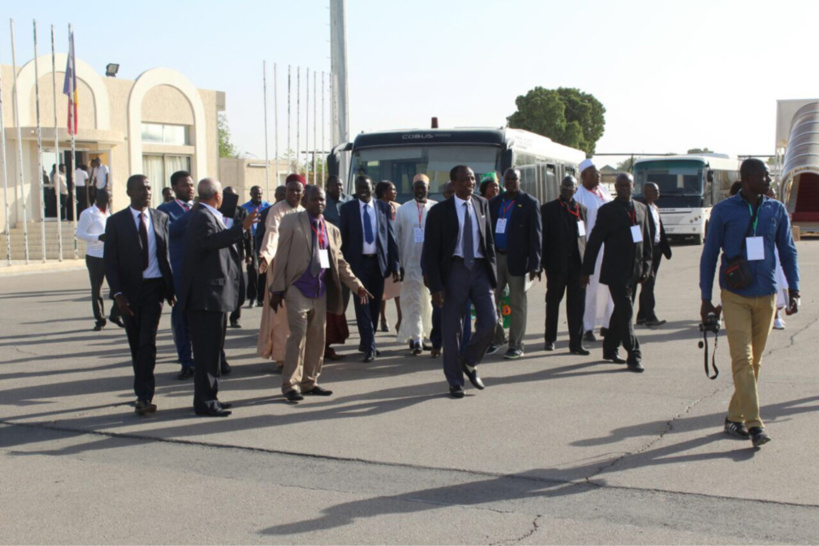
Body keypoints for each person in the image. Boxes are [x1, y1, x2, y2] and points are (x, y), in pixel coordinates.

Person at [700, 158, 800, 448]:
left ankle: (733, 415)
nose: (769, 180)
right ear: (747, 178)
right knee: (742, 359)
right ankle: (755, 424)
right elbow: (709, 255)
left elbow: (788, 251)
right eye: (764, 175)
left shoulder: (776, 209)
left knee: (755, 361)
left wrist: (794, 289)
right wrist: (706, 298)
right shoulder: (723, 210)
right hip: (735, 295)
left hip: (767, 294)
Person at [270, 185, 373, 402]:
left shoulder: (332, 230)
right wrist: (277, 288)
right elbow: (281, 257)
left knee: (317, 338)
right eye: (315, 199)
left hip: (320, 290)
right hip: (297, 287)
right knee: (298, 335)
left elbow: (340, 262)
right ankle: (290, 384)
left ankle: (310, 381)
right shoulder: (291, 222)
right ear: (305, 201)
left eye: (322, 200)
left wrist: (357, 285)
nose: (319, 203)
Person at [178, 178, 257, 417]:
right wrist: (241, 228)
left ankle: (211, 397)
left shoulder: (207, 214)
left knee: (212, 352)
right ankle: (205, 402)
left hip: (213, 297)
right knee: (205, 354)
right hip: (205, 298)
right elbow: (210, 242)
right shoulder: (202, 216)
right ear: (217, 196)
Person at [103, 174, 175, 415]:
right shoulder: (116, 222)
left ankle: (145, 396)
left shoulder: (161, 218)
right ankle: (141, 388)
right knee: (136, 343)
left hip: (154, 289)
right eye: (142, 188)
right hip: (129, 293)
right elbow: (110, 262)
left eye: (149, 187)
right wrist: (118, 294)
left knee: (147, 342)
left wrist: (171, 288)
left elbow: (165, 257)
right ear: (129, 192)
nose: (147, 192)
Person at [424, 165, 498, 398]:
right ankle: (455, 382)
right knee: (451, 330)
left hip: (479, 271)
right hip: (454, 271)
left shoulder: (482, 204)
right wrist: (436, 287)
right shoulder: (438, 212)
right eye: (465, 180)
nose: (471, 183)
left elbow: (489, 243)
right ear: (454, 184)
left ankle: (470, 360)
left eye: (473, 179)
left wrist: (493, 277)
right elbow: (430, 252)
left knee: (490, 320)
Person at [581, 173, 652, 373]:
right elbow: (594, 242)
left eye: (626, 185)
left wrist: (647, 268)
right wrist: (586, 271)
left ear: (633, 185)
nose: (623, 188)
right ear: (615, 187)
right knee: (627, 312)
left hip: (635, 272)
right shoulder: (608, 211)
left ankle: (610, 348)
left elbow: (646, 242)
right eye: (619, 185)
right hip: (615, 272)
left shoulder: (641, 209)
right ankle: (634, 354)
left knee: (621, 313)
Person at [340, 175, 400, 362]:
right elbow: (343, 238)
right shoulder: (347, 209)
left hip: (378, 264)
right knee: (362, 304)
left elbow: (391, 237)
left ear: (373, 188)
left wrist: (395, 265)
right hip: (357, 265)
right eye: (359, 188)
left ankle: (369, 340)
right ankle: (370, 347)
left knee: (375, 306)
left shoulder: (383, 207)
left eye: (365, 187)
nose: (362, 190)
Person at [487, 168, 541, 359]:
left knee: (517, 303)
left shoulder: (529, 203)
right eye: (507, 179)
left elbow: (536, 235)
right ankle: (496, 339)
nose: (510, 182)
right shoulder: (494, 203)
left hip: (518, 260)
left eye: (514, 179)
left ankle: (516, 345)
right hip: (495, 259)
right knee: (491, 301)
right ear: (503, 180)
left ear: (520, 181)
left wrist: (536, 263)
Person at [257, 175, 305, 367]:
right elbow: (272, 234)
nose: (294, 193)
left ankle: (299, 354)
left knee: (300, 315)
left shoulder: (304, 211)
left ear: (303, 193)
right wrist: (266, 256)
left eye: (298, 190)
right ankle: (282, 357)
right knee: (281, 316)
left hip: (302, 270)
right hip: (281, 269)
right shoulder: (277, 210)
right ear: (285, 191)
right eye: (291, 190)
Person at [541, 175, 589, 355]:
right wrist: (542, 264)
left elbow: (584, 238)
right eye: (565, 186)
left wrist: (587, 266)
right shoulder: (548, 209)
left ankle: (576, 343)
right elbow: (543, 239)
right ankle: (550, 338)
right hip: (556, 266)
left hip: (577, 266)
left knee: (577, 305)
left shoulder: (581, 209)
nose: (568, 190)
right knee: (553, 302)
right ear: (560, 188)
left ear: (576, 190)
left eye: (571, 187)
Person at [157, 171, 196, 379]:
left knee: (199, 317)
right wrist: (192, 214)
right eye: (184, 185)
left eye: (191, 184)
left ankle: (205, 357)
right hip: (179, 272)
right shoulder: (165, 210)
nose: (190, 188)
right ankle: (186, 360)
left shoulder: (199, 208)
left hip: (200, 271)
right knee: (181, 317)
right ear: (174, 188)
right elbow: (169, 232)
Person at [396, 174, 436, 354]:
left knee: (429, 302)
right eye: (417, 187)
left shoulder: (436, 208)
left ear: (428, 188)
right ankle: (417, 338)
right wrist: (398, 265)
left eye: (423, 187)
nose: (420, 190)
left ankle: (423, 334)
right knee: (413, 301)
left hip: (430, 265)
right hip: (410, 264)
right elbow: (396, 238)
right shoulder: (403, 210)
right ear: (413, 189)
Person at [574, 158, 614, 342]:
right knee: (591, 288)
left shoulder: (604, 191)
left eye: (598, 172)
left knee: (609, 287)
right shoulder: (578, 196)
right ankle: (588, 327)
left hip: (610, 246)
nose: (598, 175)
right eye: (593, 173)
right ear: (583, 176)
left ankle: (608, 324)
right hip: (592, 248)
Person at [76, 189, 122, 331]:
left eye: (109, 197)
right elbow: (79, 233)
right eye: (105, 197)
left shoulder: (109, 214)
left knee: (120, 286)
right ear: (97, 197)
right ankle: (99, 319)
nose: (108, 200)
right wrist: (97, 238)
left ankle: (115, 314)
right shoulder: (88, 214)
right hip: (95, 256)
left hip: (111, 255)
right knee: (97, 288)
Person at [323, 175, 354, 360]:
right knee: (328, 302)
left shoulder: (349, 202)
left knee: (342, 301)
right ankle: (324, 345)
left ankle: (332, 339)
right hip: (325, 257)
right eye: (335, 184)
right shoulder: (321, 202)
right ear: (328, 187)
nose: (339, 187)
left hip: (346, 257)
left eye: (341, 184)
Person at [635, 182, 672, 327]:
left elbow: (659, 229)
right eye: (654, 191)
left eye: (658, 190)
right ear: (646, 192)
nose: (658, 193)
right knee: (648, 282)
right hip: (646, 250)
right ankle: (650, 316)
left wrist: (665, 248)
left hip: (657, 250)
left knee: (649, 284)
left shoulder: (655, 208)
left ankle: (641, 316)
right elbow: (637, 228)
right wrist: (638, 248)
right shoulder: (641, 208)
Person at [375, 180, 403, 333]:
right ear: (384, 192)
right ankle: (383, 318)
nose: (395, 192)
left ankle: (400, 320)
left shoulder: (399, 208)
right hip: (383, 256)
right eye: (392, 190)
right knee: (382, 292)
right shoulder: (376, 207)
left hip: (397, 255)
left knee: (398, 289)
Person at [224, 186, 253, 329]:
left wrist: (249, 254)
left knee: (239, 287)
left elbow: (248, 235)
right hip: (221, 254)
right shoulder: (216, 211)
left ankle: (235, 317)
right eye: (227, 195)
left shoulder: (242, 212)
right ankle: (222, 316)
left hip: (237, 254)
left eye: (233, 196)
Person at [241, 186, 271, 307]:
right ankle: (252, 297)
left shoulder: (268, 207)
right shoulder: (244, 207)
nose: (258, 196)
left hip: (263, 238)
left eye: (260, 194)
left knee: (264, 268)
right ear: (250, 194)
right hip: (251, 239)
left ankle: (261, 297)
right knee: (252, 269)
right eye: (255, 194)